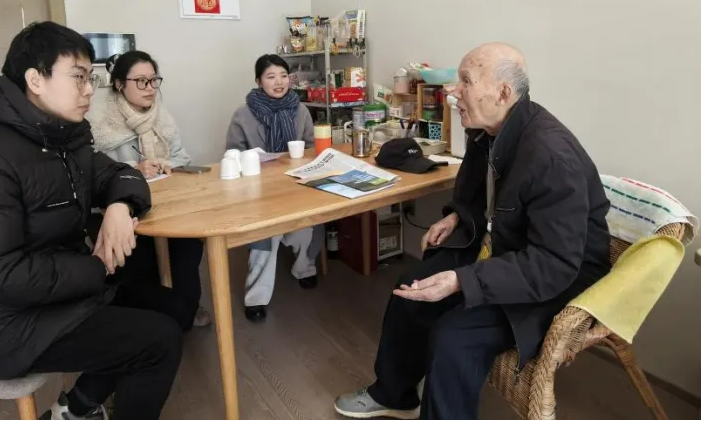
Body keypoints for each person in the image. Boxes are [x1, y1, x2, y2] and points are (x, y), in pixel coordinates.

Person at [334, 43, 611, 421]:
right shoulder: (487, 130)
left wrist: (462, 280)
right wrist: (455, 217)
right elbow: (478, 193)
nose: (453, 92)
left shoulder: (550, 156)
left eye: (465, 81)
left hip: (559, 276)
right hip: (507, 249)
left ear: (503, 93)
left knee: (454, 337)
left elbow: (556, 263)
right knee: (412, 288)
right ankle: (395, 395)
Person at [0, 22, 184, 421]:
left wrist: (120, 205)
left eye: (91, 78)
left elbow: (120, 174)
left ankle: (75, 409)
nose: (89, 90)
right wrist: (97, 267)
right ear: (35, 80)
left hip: (52, 294)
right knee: (158, 341)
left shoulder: (64, 137)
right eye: (78, 77)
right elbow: (0, 276)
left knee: (175, 307)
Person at [88, 50, 211, 328]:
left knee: (189, 245)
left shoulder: (161, 116)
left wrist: (167, 164)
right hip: (124, 212)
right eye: (141, 81)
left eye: (154, 80)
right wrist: (135, 169)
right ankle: (157, 316)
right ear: (120, 84)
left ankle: (187, 306)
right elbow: (96, 175)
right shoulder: (100, 122)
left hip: (167, 203)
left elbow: (182, 157)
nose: (150, 88)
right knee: (139, 256)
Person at [225, 54, 321, 323]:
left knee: (308, 224)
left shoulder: (300, 110)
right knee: (265, 237)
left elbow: (311, 147)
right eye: (270, 77)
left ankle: (304, 268)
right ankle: (256, 298)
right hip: (258, 192)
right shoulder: (243, 114)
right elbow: (232, 154)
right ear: (259, 81)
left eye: (283, 75)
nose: (279, 82)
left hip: (296, 186)